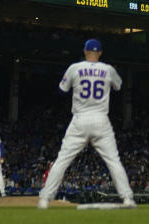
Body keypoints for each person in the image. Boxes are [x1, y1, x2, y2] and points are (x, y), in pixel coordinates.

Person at [37, 38, 136, 210]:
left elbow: (61, 90)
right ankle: (127, 198)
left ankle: (45, 199)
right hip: (101, 119)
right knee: (113, 160)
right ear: (100, 53)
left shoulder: (75, 68)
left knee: (62, 160)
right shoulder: (108, 69)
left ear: (84, 51)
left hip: (80, 119)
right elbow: (119, 87)